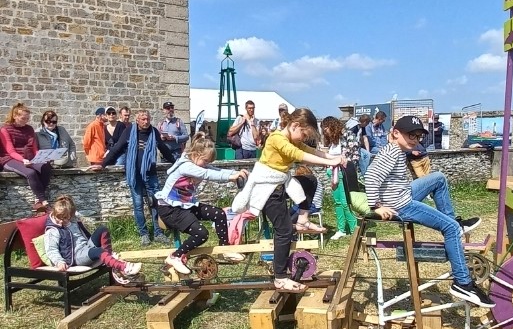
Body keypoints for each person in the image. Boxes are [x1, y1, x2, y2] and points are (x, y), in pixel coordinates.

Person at [365, 115, 491, 307]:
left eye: (417, 137)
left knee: (438, 178)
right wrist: (377, 206)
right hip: (400, 205)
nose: (415, 140)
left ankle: (453, 221)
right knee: (451, 230)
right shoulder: (391, 152)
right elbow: (371, 177)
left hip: (404, 193)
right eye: (410, 136)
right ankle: (463, 283)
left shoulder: (397, 149)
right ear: (396, 133)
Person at [232, 108, 343, 292]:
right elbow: (299, 156)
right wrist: (329, 163)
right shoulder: (277, 139)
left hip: (279, 186)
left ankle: (303, 219)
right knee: (283, 232)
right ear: (295, 126)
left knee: (309, 180)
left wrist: (334, 157)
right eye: (303, 134)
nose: (303, 138)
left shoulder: (292, 139)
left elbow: (312, 151)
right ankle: (280, 277)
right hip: (267, 191)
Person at [155, 133, 249, 274]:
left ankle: (225, 249)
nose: (206, 165)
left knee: (219, 214)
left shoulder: (198, 164)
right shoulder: (186, 166)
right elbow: (208, 174)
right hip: (170, 209)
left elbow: (214, 170)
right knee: (202, 234)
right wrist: (231, 177)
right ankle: (175, 256)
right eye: (205, 161)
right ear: (196, 155)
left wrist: (236, 173)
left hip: (185, 206)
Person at [91, 110, 176, 246]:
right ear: (137, 120)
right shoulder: (130, 130)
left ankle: (158, 232)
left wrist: (175, 162)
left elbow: (163, 148)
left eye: (147, 119)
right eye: (142, 119)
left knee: (156, 204)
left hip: (150, 173)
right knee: (138, 206)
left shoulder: (153, 132)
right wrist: (103, 164)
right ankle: (144, 234)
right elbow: (117, 148)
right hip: (134, 174)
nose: (146, 121)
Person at [43, 194, 142, 279]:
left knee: (102, 229)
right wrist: (59, 262)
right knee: (99, 251)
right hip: (76, 256)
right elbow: (51, 249)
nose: (61, 221)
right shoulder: (53, 230)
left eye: (65, 218)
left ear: (70, 215)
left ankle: (110, 259)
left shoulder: (73, 221)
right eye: (58, 217)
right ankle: (123, 267)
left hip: (86, 247)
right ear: (54, 214)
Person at [0, 103, 53, 212]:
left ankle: (38, 199)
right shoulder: (5, 130)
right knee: (30, 173)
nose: (26, 121)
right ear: (15, 116)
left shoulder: (29, 129)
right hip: (9, 159)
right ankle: (42, 201)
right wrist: (23, 160)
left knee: (46, 167)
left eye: (28, 118)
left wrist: (41, 157)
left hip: (29, 158)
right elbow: (10, 151)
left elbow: (34, 148)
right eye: (23, 118)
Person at [322, 116, 358, 241]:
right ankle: (341, 229)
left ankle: (354, 229)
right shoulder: (332, 141)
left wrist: (341, 162)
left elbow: (355, 156)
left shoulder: (349, 135)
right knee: (337, 203)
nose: (325, 132)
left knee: (345, 202)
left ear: (332, 126)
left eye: (326, 129)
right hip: (332, 173)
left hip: (343, 173)